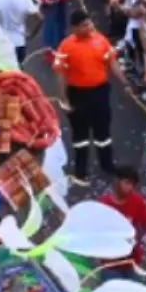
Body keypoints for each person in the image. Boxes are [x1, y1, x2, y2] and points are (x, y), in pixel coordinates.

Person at [55, 12, 118, 181]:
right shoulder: (66, 46)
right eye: (84, 25)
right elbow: (61, 74)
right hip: (77, 94)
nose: (89, 27)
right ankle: (80, 170)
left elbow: (112, 62)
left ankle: (107, 164)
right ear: (75, 28)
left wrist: (125, 83)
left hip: (100, 92)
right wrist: (63, 98)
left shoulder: (100, 40)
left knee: (103, 130)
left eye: (89, 23)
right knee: (80, 134)